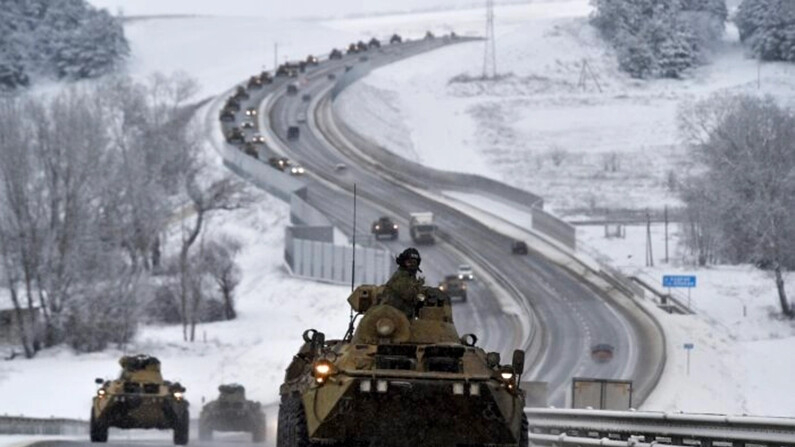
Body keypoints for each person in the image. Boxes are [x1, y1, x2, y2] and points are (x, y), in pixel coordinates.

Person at [380, 248, 426, 318]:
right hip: (392, 316)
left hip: (403, 316)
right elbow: (409, 295)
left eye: (414, 262)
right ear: (403, 262)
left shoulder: (410, 276)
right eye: (409, 262)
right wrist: (419, 288)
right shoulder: (401, 276)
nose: (412, 265)